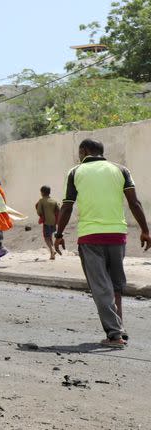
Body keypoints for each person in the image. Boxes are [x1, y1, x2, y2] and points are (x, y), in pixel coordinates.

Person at [54, 139, 150, 348]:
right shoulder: (121, 170)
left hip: (90, 237)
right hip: (117, 235)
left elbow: (67, 207)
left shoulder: (75, 172)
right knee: (115, 284)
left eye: (80, 152)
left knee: (100, 287)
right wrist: (145, 230)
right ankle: (120, 328)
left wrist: (59, 234)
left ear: (85, 151)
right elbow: (134, 202)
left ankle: (115, 335)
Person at [35, 185, 60, 260]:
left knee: (46, 238)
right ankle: (52, 255)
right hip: (54, 222)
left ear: (42, 192)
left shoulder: (41, 200)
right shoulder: (54, 201)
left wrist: (42, 215)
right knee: (50, 237)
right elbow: (58, 210)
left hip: (46, 221)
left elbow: (39, 212)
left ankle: (52, 250)